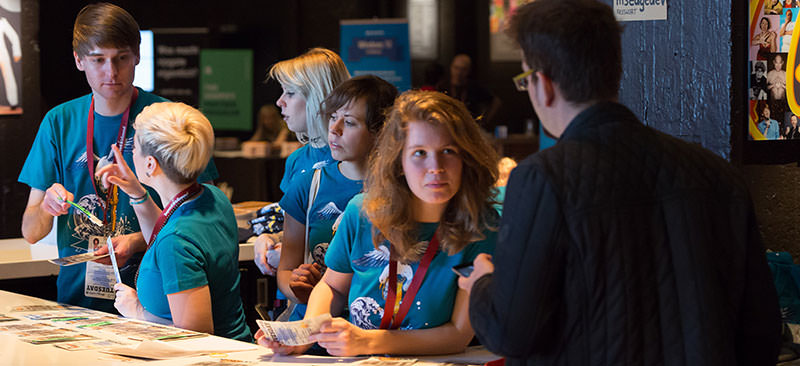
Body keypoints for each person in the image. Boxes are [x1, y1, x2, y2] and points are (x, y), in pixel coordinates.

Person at [458, 1, 781, 365]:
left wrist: (483, 285)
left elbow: (511, 332)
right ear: (614, 70)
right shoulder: (717, 174)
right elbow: (762, 334)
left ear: (542, 85)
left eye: (524, 79)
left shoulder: (542, 178)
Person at [257, 90, 500, 356]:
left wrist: (368, 341)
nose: (436, 167)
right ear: (399, 161)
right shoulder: (362, 211)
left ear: (467, 157)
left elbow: (457, 335)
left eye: (448, 151)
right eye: (419, 152)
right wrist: (305, 334)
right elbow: (332, 286)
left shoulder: (481, 226)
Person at [18, 3, 217, 313]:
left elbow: (204, 220)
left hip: (158, 303)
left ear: (137, 56)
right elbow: (31, 231)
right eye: (98, 60)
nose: (111, 72)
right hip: (77, 306)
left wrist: (136, 241)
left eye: (121, 59)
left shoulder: (168, 118)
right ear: (78, 60)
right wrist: (46, 207)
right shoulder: (59, 122)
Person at [95, 102, 250, 341]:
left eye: (134, 147)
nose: (131, 153)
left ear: (150, 164)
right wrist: (137, 193)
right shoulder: (213, 197)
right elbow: (163, 239)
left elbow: (197, 334)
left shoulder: (177, 240)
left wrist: (136, 311)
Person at [275, 75, 398, 322]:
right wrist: (297, 286)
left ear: (381, 130)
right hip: (314, 321)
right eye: (333, 117)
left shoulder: (401, 191)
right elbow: (286, 270)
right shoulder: (309, 184)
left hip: (375, 323)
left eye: (349, 122)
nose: (335, 128)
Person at [252, 48, 350, 279]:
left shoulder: (353, 159)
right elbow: (298, 231)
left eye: (290, 93)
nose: (279, 102)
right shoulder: (297, 160)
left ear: (319, 97)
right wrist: (270, 239)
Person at [437, 54, 501, 128]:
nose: (459, 73)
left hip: (469, 128)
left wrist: (484, 120)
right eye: (456, 68)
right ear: (451, 68)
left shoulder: (474, 87)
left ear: (468, 70)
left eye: (463, 69)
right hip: (448, 127)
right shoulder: (443, 86)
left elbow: (496, 102)